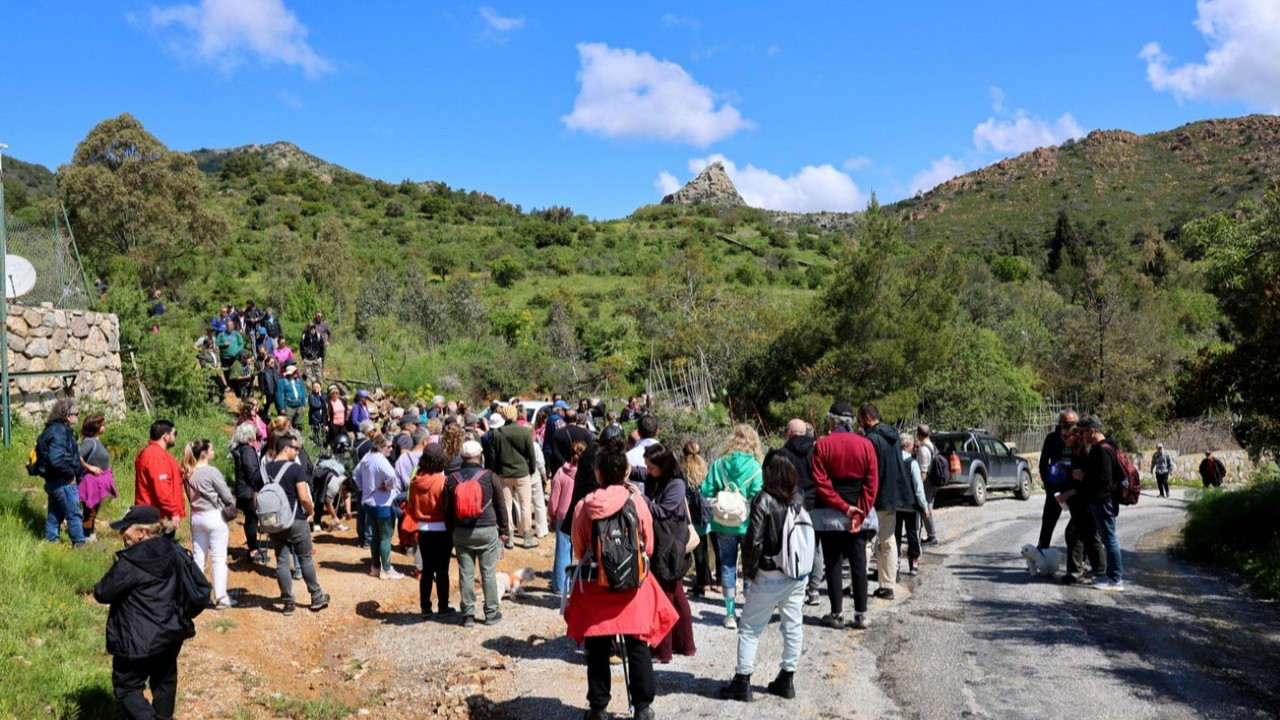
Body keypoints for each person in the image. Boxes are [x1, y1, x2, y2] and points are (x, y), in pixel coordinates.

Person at [564, 438, 677, 720]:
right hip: (632, 586)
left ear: (598, 473)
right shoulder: (637, 503)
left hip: (595, 585)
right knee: (638, 645)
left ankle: (598, 707)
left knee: (598, 648)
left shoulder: (584, 506)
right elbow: (648, 545)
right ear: (626, 473)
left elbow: (580, 549)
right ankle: (642, 707)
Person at [719, 455, 810, 702]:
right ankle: (787, 678)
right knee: (792, 625)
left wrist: (749, 571)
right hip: (796, 573)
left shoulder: (764, 499)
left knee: (749, 628)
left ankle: (742, 681)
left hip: (770, 573)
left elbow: (754, 541)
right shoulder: (798, 495)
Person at [93, 505, 194, 720]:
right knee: (165, 682)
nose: (122, 533)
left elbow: (102, 592)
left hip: (137, 640)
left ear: (141, 532)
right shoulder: (173, 550)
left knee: (126, 686)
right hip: (170, 633)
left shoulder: (132, 561)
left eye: (125, 529)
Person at [810, 401, 878, 629]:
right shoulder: (866, 445)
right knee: (859, 564)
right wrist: (857, 513)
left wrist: (842, 507)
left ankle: (836, 613)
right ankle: (861, 615)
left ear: (833, 420)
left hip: (830, 515)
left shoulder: (822, 445)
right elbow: (871, 484)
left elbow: (822, 484)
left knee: (833, 564)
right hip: (860, 513)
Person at [701, 424, 765, 629]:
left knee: (727, 564)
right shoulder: (755, 467)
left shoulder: (719, 464)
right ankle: (747, 609)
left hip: (723, 522)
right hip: (747, 524)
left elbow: (706, 490)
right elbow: (758, 495)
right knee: (749, 565)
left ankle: (729, 614)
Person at [263, 432, 331, 614]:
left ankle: (288, 602)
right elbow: (304, 497)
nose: (297, 451)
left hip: (275, 522)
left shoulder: (265, 470)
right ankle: (316, 596)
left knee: (282, 561)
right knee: (305, 558)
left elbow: (258, 496)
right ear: (286, 448)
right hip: (295, 520)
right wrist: (311, 511)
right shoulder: (295, 469)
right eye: (295, 448)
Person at [444, 440, 510, 627]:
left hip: (462, 532)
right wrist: (504, 530)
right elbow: (500, 506)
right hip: (487, 530)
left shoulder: (452, 478)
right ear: (479, 455)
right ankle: (490, 613)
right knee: (488, 572)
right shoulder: (490, 476)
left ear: (462, 457)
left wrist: (452, 531)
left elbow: (447, 510)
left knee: (466, 573)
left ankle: (468, 615)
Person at [643, 443, 696, 664]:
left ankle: (662, 651)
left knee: (664, 596)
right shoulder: (658, 478)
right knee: (675, 594)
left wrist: (642, 499)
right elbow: (637, 472)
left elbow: (663, 511)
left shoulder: (676, 485)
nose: (647, 470)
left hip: (670, 546)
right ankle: (685, 645)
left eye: (650, 467)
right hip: (668, 544)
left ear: (663, 467)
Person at [765, 419, 823, 604]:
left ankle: (791, 588)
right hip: (815, 503)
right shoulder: (817, 450)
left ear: (789, 432)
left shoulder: (781, 454)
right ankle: (814, 590)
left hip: (790, 504)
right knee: (814, 547)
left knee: (788, 544)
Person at [858, 403, 912, 601]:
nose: (859, 423)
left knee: (865, 543)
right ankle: (887, 586)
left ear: (867, 417)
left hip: (874, 497)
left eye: (859, 418)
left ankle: (859, 585)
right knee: (888, 541)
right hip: (892, 495)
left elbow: (868, 469)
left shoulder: (871, 439)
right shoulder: (894, 436)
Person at [181, 439, 236, 610]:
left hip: (196, 516)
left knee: (199, 557)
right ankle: (220, 598)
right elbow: (227, 496)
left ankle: (195, 595)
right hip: (214, 516)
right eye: (211, 449)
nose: (214, 451)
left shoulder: (187, 473)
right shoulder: (211, 472)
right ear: (204, 453)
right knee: (218, 558)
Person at [1076, 415, 1124, 591]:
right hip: (1101, 501)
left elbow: (1104, 479)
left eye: (1083, 432)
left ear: (1092, 431)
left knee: (1110, 540)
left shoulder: (1103, 450)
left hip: (1103, 501)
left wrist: (1083, 476)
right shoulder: (1103, 447)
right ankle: (1111, 576)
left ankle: (1116, 579)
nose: (1081, 436)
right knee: (1107, 539)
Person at [1053, 423, 1104, 584]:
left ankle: (1079, 571)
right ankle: (1097, 569)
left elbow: (1088, 480)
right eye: (1062, 436)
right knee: (1088, 535)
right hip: (1081, 501)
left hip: (1088, 501)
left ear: (1076, 435)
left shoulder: (1086, 452)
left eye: (1066, 436)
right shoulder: (1077, 452)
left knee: (1074, 533)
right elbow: (1077, 475)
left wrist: (1068, 493)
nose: (1063, 439)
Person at [408, 443, 455, 618]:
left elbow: (412, 504)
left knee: (427, 570)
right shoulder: (443, 481)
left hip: (423, 529)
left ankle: (425, 608)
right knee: (442, 570)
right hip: (442, 529)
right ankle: (443, 606)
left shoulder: (415, 481)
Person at [489, 405, 542, 550]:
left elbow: (494, 457)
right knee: (525, 505)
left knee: (506, 506)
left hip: (504, 474)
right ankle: (527, 538)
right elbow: (531, 454)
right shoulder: (524, 432)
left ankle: (509, 538)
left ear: (504, 416)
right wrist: (530, 470)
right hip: (522, 473)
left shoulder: (497, 434)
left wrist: (496, 472)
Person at [37, 399, 87, 547]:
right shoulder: (59, 431)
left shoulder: (52, 430)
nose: (78, 416)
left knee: (54, 516)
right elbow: (56, 459)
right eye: (76, 414)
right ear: (67, 416)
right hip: (63, 482)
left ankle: (51, 545)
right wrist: (71, 475)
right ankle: (80, 546)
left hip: (53, 481)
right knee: (74, 515)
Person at [354, 435, 405, 580]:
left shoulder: (367, 457)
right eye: (388, 446)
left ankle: (375, 567)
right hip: (384, 503)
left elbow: (355, 474)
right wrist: (387, 486)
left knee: (375, 537)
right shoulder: (381, 460)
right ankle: (387, 569)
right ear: (379, 446)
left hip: (370, 502)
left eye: (391, 446)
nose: (390, 449)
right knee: (385, 537)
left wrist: (364, 488)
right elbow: (391, 475)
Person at [1037, 410, 1079, 549]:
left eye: (1074, 423)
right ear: (1060, 423)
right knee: (1048, 523)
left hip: (1073, 488)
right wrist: (1048, 485)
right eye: (1068, 423)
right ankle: (1041, 555)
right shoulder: (1051, 439)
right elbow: (1043, 463)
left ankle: (1081, 560)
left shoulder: (1078, 439)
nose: (1071, 426)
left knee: (1079, 525)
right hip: (1055, 487)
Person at [135, 419, 186, 529]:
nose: (175, 437)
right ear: (166, 436)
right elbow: (161, 489)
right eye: (174, 433)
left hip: (157, 514)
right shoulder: (155, 456)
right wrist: (173, 511)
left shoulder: (151, 452)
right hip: (157, 517)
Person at [549, 440, 585, 597]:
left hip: (563, 515)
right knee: (583, 552)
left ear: (570, 454)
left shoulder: (561, 472)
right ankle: (581, 585)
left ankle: (560, 587)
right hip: (581, 515)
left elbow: (553, 499)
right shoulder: (587, 473)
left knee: (563, 549)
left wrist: (551, 515)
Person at [230, 422, 266, 565]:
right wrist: (258, 488)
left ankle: (253, 548)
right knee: (252, 520)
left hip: (243, 490)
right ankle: (253, 550)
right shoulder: (247, 451)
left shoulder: (240, 449)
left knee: (250, 520)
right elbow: (252, 473)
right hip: (249, 491)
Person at [78, 413, 117, 542]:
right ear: (96, 426)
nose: (104, 425)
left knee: (93, 511)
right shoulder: (89, 442)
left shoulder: (96, 441)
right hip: (91, 483)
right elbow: (76, 456)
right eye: (102, 424)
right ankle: (85, 536)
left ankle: (91, 534)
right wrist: (90, 467)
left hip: (97, 483)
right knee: (90, 511)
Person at [682, 441, 715, 596]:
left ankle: (703, 582)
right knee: (711, 548)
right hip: (709, 512)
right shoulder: (705, 467)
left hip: (695, 515)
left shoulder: (684, 471)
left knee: (699, 550)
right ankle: (716, 581)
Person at [896, 433, 929, 576]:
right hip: (910, 505)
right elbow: (918, 488)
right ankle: (913, 563)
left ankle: (895, 562)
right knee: (912, 534)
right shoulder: (913, 463)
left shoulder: (893, 462)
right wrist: (925, 507)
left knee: (895, 535)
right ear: (908, 446)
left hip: (895, 505)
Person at [915, 425, 941, 545]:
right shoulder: (932, 445)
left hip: (927, 482)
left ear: (919, 434)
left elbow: (923, 471)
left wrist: (918, 485)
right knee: (927, 506)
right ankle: (928, 534)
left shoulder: (924, 449)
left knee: (926, 507)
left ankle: (932, 536)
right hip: (934, 481)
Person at [276, 364, 308, 431]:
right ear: (290, 373)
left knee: (298, 423)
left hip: (299, 406)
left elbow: (303, 393)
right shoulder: (282, 382)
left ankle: (298, 437)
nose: (297, 373)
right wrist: (281, 408)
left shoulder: (299, 381)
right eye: (295, 372)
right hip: (288, 406)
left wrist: (304, 405)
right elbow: (279, 395)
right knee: (288, 423)